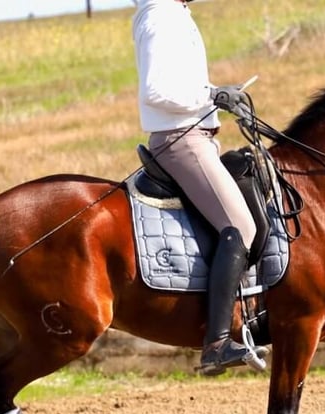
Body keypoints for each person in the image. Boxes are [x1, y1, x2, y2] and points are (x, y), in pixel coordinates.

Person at [132, 0, 264, 376]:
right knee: (240, 227)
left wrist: (218, 94)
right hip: (182, 140)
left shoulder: (174, 15)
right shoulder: (162, 17)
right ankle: (217, 342)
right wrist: (210, 96)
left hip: (197, 135)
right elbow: (155, 91)